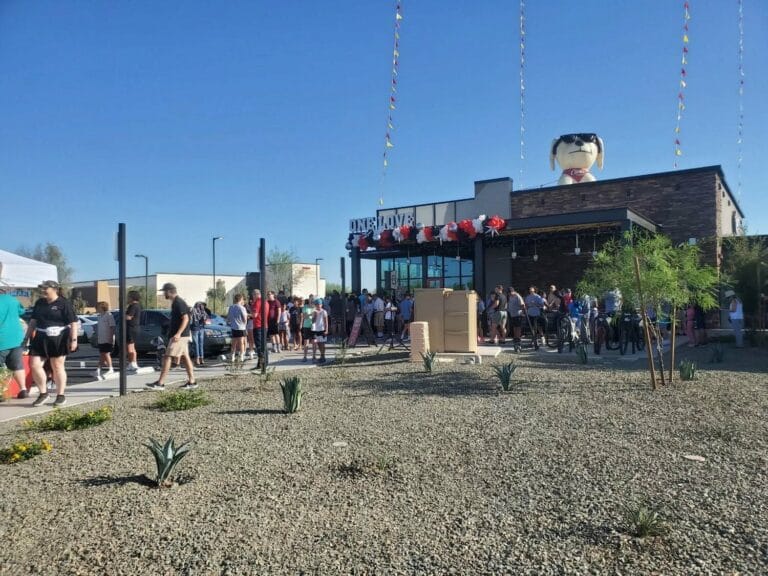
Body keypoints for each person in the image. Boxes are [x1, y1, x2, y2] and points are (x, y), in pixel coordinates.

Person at [24, 280, 78, 407]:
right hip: (41, 337)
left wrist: (74, 340)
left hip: (59, 337)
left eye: (45, 288)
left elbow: (73, 323)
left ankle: (60, 395)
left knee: (57, 366)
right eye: (42, 288)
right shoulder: (40, 303)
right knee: (34, 365)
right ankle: (43, 393)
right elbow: (33, 321)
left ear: (54, 289)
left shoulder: (64, 303)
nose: (42, 291)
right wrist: (26, 337)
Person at [146, 283, 196, 390]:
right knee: (185, 357)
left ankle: (160, 383)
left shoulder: (178, 302)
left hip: (180, 336)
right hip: (182, 335)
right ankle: (192, 382)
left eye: (164, 292)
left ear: (169, 291)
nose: (164, 294)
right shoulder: (176, 302)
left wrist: (178, 333)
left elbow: (186, 318)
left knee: (167, 357)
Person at [0, 287, 28, 399]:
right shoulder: (13, 300)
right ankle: (23, 389)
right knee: (17, 365)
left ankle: (2, 391)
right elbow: (22, 311)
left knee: (1, 367)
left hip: (2, 339)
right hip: (16, 338)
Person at [93, 301, 115, 380]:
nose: (96, 308)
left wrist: (111, 337)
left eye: (98, 307)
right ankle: (98, 370)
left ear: (102, 307)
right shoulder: (99, 316)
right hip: (101, 338)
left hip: (107, 337)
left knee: (106, 353)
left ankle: (111, 368)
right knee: (102, 354)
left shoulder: (109, 315)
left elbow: (112, 327)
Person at [226, 294, 248, 362]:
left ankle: (232, 356)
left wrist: (230, 322)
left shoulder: (231, 307)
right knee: (241, 342)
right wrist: (245, 325)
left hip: (233, 327)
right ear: (240, 299)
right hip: (241, 327)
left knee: (234, 343)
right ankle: (241, 356)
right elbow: (245, 318)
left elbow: (228, 318)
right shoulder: (242, 308)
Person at [125, 290, 142, 372]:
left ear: (132, 297)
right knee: (132, 347)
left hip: (131, 328)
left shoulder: (133, 306)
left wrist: (123, 314)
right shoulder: (137, 306)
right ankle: (133, 363)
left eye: (128, 297)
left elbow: (128, 317)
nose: (127, 298)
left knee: (129, 348)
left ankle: (131, 363)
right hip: (135, 328)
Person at [190, 301, 209, 366]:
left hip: (194, 328)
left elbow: (190, 321)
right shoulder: (203, 311)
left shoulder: (193, 310)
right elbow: (206, 318)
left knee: (196, 344)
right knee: (201, 344)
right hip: (201, 328)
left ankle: (197, 359)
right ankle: (202, 359)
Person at [311, 297, 329, 364]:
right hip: (316, 329)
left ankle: (323, 356)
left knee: (322, 344)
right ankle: (321, 356)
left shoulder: (324, 311)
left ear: (321, 305)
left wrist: (326, 330)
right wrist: (315, 315)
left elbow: (326, 321)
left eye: (319, 304)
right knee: (318, 343)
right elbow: (312, 321)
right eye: (317, 304)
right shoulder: (314, 311)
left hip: (322, 329)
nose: (318, 306)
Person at [507, 286, 525, 350]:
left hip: (518, 314)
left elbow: (522, 305)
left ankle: (518, 339)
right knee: (514, 327)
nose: (509, 294)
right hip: (512, 315)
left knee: (518, 327)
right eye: (509, 293)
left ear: (513, 291)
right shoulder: (510, 297)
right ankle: (515, 338)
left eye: (510, 292)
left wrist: (522, 312)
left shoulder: (517, 296)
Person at [250, 289, 264, 368]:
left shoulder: (257, 302)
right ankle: (264, 363)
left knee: (258, 345)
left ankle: (260, 364)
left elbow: (254, 315)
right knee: (263, 345)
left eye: (253, 295)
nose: (253, 297)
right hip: (264, 325)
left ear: (256, 295)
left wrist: (247, 314)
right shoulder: (265, 302)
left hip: (258, 325)